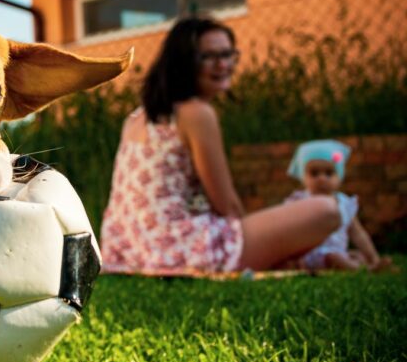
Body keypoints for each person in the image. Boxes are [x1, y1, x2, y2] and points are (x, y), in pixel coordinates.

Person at [99, 16, 341, 273]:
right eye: (208, 57)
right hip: (178, 248)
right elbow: (226, 205)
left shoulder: (137, 116)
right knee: (326, 210)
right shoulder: (196, 113)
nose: (223, 64)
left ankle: (301, 259)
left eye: (228, 54)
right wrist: (253, 242)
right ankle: (303, 258)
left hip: (127, 251)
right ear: (184, 63)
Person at [285, 140, 391, 271]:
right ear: (303, 176)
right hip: (313, 255)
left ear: (339, 176)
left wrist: (373, 256)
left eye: (329, 173)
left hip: (338, 252)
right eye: (314, 173)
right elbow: (289, 232)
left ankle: (371, 263)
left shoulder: (344, 203)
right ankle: (366, 270)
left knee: (356, 255)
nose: (322, 178)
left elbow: (358, 234)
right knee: (334, 257)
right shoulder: (300, 201)